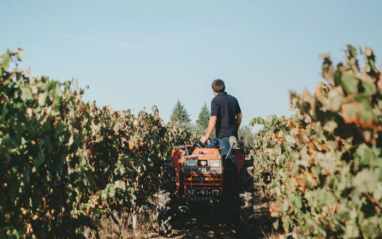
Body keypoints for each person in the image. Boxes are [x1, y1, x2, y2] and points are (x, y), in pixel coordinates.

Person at [200, 79, 242, 161]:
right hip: (226, 136)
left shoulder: (215, 100)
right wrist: (235, 130)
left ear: (213, 90)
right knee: (209, 149)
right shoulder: (233, 99)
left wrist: (206, 136)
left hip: (224, 137)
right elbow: (239, 116)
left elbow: (213, 119)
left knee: (227, 161)